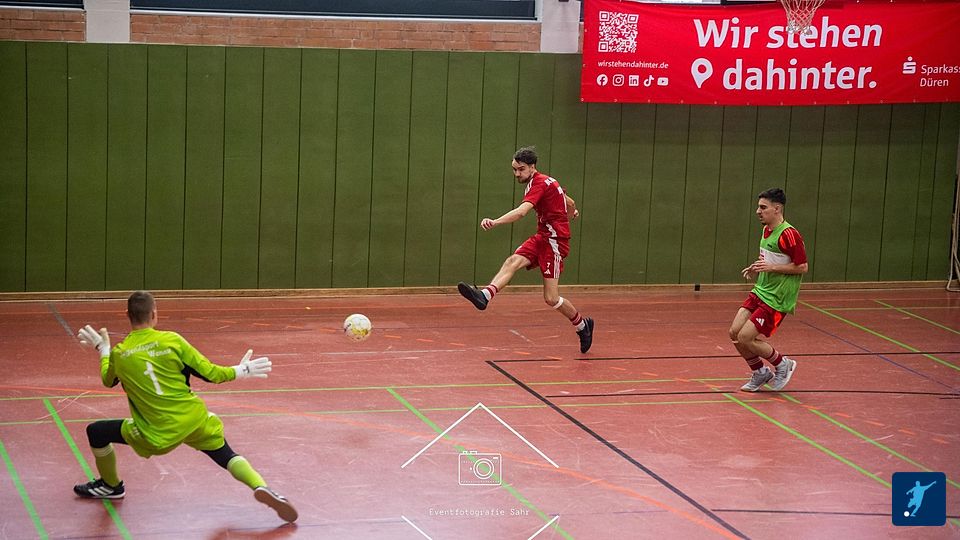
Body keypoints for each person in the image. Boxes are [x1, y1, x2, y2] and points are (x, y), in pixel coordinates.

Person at [73, 290, 298, 523]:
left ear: (127, 315)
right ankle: (260, 485)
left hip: (155, 432)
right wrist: (242, 370)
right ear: (154, 314)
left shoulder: (120, 354)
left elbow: (108, 380)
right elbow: (212, 373)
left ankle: (111, 486)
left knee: (96, 432)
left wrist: (103, 350)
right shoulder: (173, 341)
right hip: (193, 419)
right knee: (225, 454)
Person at [457, 146, 594, 353]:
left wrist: (495, 222)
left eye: (521, 169)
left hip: (555, 242)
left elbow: (522, 212)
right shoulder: (548, 181)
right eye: (514, 169)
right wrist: (571, 213)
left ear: (532, 167)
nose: (517, 174)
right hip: (542, 236)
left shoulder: (538, 183)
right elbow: (570, 202)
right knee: (513, 261)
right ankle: (484, 295)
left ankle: (583, 326)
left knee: (551, 298)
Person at [730, 188, 808, 392]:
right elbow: (771, 259)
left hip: (777, 297)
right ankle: (760, 372)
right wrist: (757, 266)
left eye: (763, 207)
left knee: (746, 337)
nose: (758, 211)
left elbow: (802, 267)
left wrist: (771, 267)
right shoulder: (766, 230)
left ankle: (783, 364)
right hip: (761, 290)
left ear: (777, 208)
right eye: (758, 207)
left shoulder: (789, 234)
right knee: (735, 333)